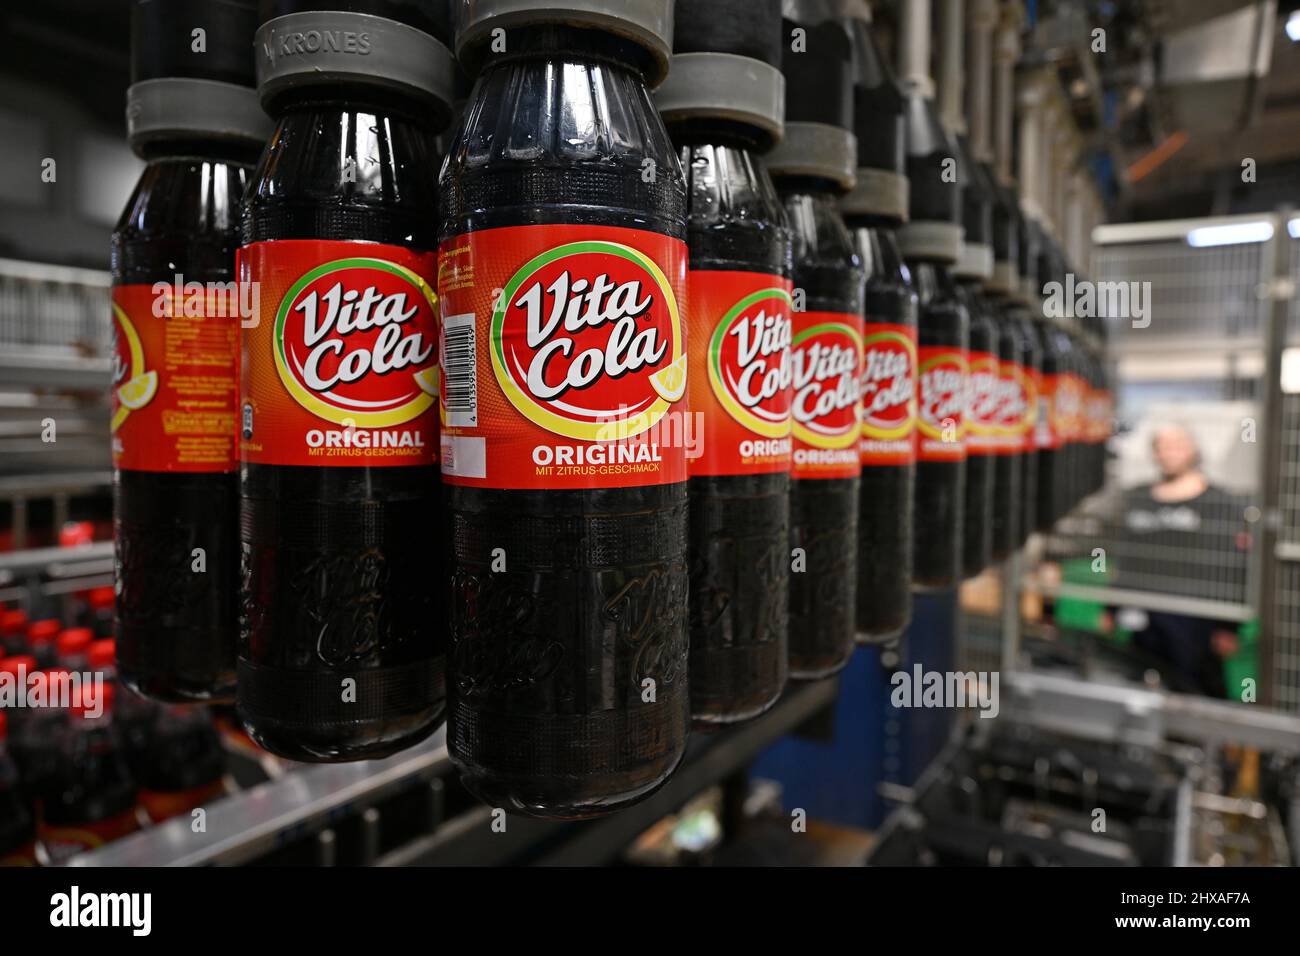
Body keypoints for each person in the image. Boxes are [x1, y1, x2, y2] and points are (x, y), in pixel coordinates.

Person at [1102, 424, 1251, 698]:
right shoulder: (1137, 498)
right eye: (1163, 446)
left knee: (1196, 688)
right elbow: (1126, 556)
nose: (1170, 453)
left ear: (1193, 449)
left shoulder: (1219, 503)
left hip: (1196, 617)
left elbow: (1234, 564)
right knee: (1143, 682)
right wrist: (1111, 607)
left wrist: (1228, 627)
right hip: (1146, 612)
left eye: (1178, 445)